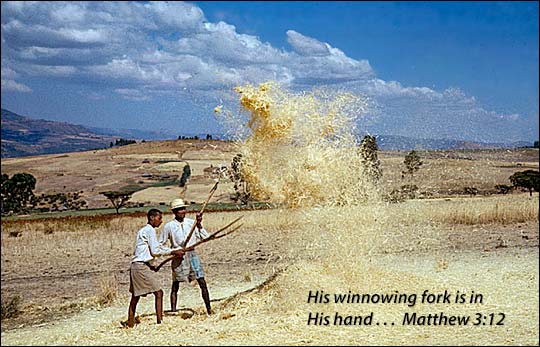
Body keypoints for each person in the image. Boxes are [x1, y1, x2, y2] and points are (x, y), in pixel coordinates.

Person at [127, 208, 185, 328]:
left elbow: (150, 249)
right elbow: (155, 251)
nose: (161, 221)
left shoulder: (145, 230)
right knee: (158, 293)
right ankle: (160, 323)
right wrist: (173, 252)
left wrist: (172, 252)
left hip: (138, 266)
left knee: (136, 297)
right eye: (159, 218)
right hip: (140, 266)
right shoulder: (149, 231)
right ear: (152, 218)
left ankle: (130, 323)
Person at [159, 198, 212, 314]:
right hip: (178, 257)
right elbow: (160, 245)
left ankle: (209, 309)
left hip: (192, 254)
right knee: (175, 284)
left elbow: (205, 237)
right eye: (179, 210)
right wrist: (173, 251)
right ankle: (173, 311)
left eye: (183, 209)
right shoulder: (169, 226)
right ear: (174, 212)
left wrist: (199, 225)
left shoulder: (191, 223)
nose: (182, 211)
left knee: (202, 281)